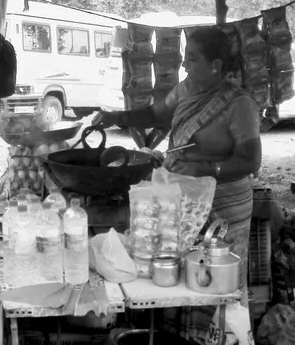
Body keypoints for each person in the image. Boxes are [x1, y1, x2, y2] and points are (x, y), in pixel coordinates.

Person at [95, 26, 262, 302]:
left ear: (215, 65)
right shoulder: (186, 90)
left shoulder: (240, 105)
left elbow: (251, 161)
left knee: (217, 278)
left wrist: (206, 170)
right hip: (187, 197)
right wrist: (116, 118)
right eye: (186, 56)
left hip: (225, 204)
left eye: (193, 58)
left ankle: (222, 335)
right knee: (180, 270)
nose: (184, 64)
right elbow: (156, 114)